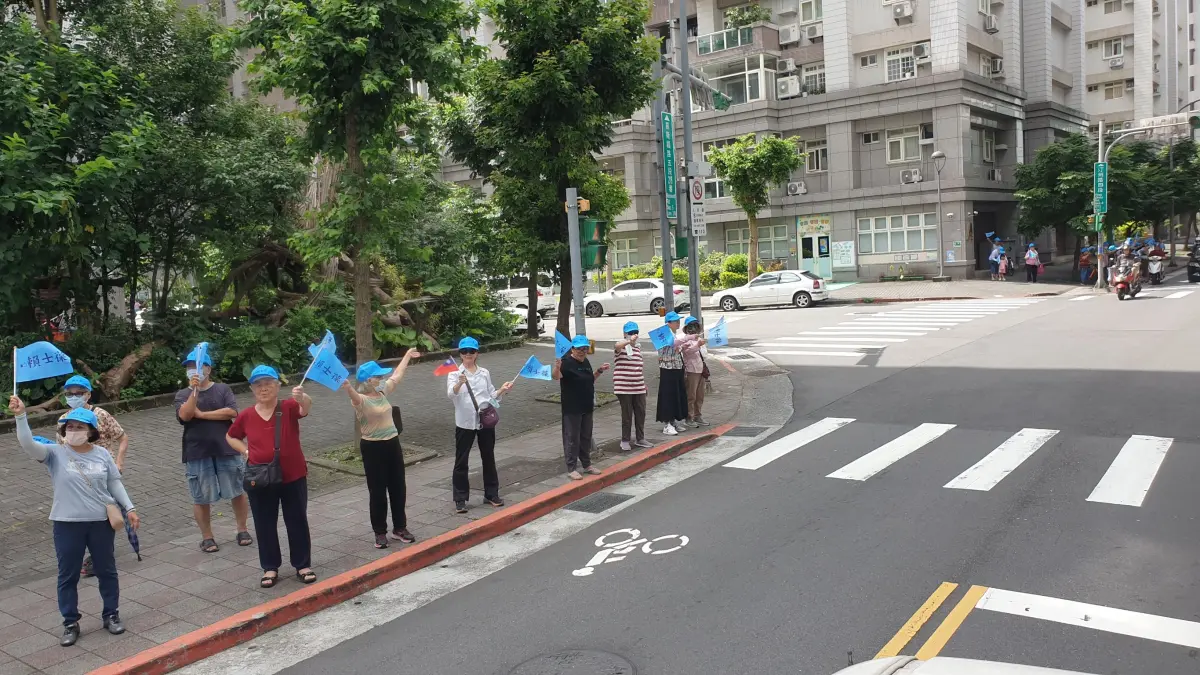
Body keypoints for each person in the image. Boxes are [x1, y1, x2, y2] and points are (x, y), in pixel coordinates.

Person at [10, 397, 139, 647]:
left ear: (91, 431)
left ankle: (111, 614)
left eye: (79, 427)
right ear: (62, 430)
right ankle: (70, 622)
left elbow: (114, 483)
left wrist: (130, 507)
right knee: (67, 575)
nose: (73, 431)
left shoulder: (102, 454)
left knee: (107, 571)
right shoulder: (54, 454)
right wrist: (21, 416)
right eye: (69, 426)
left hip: (100, 523)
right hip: (67, 524)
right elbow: (27, 443)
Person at [225, 366, 316, 588]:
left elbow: (306, 407)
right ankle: (270, 567)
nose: (263, 388)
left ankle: (302, 565)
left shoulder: (288, 406)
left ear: (277, 386)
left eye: (268, 383)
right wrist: (245, 451)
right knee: (264, 523)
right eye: (258, 384)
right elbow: (231, 436)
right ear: (252, 388)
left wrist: (303, 396)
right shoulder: (246, 415)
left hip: (293, 474)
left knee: (297, 520)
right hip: (261, 477)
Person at [175, 348, 252, 554]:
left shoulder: (223, 389)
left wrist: (202, 414)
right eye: (189, 367)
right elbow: (185, 415)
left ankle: (242, 529)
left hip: (227, 448)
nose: (193, 371)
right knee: (200, 497)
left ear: (208, 369)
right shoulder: (183, 394)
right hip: (196, 451)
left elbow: (232, 412)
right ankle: (207, 537)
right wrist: (195, 393)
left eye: (197, 366)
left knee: (236, 490)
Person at [343, 351, 421, 547]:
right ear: (368, 380)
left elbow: (397, 375)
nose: (381, 379)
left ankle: (400, 528)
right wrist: (345, 386)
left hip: (392, 443)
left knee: (398, 488)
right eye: (377, 376)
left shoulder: (383, 392)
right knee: (377, 491)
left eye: (380, 376)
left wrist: (408, 356)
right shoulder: (360, 400)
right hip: (372, 448)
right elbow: (352, 393)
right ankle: (379, 532)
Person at [58, 375, 128, 579]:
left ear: (88, 394)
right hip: (76, 478)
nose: (74, 396)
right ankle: (87, 554)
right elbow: (60, 450)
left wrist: (118, 462)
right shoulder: (64, 420)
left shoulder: (100, 415)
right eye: (69, 393)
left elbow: (123, 438)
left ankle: (99, 556)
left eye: (79, 393)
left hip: (101, 475)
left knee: (106, 516)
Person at [447, 338, 513, 514]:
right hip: (465, 423)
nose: (468, 354)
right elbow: (451, 394)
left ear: (477, 353)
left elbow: (491, 395)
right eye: (464, 351)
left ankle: (491, 494)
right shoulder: (454, 373)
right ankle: (460, 499)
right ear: (460, 354)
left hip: (485, 421)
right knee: (461, 461)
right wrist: (459, 383)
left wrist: (502, 390)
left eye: (471, 351)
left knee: (488, 457)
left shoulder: (484, 372)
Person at [552, 335, 610, 480]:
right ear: (573, 348)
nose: (582, 351)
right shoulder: (566, 363)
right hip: (572, 407)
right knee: (572, 437)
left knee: (586, 436)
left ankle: (587, 464)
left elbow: (590, 379)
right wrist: (557, 367)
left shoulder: (586, 361)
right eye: (579, 349)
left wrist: (600, 371)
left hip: (587, 405)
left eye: (585, 348)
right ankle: (571, 467)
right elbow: (556, 377)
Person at [612, 321, 651, 452]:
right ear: (624, 333)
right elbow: (617, 345)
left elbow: (638, 368)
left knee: (641, 412)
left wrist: (643, 384)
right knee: (627, 414)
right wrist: (628, 341)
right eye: (630, 333)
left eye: (635, 332)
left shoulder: (638, 348)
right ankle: (625, 440)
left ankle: (640, 438)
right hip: (624, 387)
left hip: (638, 386)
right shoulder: (621, 346)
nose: (633, 335)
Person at [655, 312, 689, 435]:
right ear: (668, 323)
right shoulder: (663, 334)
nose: (678, 323)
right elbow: (671, 344)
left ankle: (673, 421)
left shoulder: (674, 334)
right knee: (668, 396)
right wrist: (686, 339)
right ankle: (667, 423)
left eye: (678, 320)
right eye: (675, 321)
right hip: (667, 368)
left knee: (677, 395)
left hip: (677, 367)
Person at [679, 316, 709, 426]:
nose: (693, 329)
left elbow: (705, 354)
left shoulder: (699, 339)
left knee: (700, 395)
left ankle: (698, 415)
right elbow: (687, 352)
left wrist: (700, 344)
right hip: (691, 370)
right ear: (686, 329)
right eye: (690, 326)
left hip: (700, 369)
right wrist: (697, 345)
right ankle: (689, 417)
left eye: (695, 326)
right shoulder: (685, 340)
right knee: (691, 395)